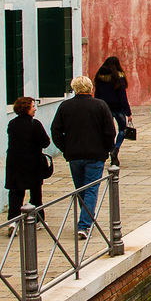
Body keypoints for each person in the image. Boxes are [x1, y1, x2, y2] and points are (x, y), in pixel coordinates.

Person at [50, 76, 116, 238]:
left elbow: (55, 131)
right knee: (91, 189)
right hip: (95, 154)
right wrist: (107, 149)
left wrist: (65, 148)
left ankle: (85, 221)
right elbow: (110, 131)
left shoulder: (65, 106)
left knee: (81, 190)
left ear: (74, 89)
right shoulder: (100, 106)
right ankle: (85, 224)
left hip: (74, 155)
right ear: (90, 88)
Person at [5, 96, 49, 227]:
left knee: (15, 194)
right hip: (33, 163)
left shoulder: (12, 124)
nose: (35, 109)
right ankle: (37, 220)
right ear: (27, 108)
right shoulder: (35, 124)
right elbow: (45, 142)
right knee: (36, 194)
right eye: (33, 106)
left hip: (15, 163)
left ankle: (13, 221)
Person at [93, 56, 133, 155]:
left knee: (107, 130)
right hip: (118, 108)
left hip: (104, 108)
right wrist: (128, 113)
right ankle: (116, 148)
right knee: (122, 129)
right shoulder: (119, 78)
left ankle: (110, 147)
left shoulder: (99, 77)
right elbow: (123, 97)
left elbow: (97, 94)